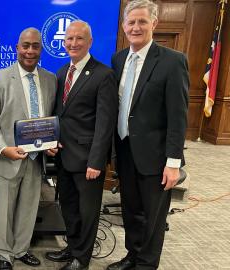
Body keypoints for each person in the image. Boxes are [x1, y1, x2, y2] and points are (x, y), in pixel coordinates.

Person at [107, 1, 189, 269]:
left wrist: (173, 162)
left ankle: (146, 264)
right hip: (126, 151)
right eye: (131, 22)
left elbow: (178, 116)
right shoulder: (118, 59)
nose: (136, 27)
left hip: (156, 157)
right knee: (131, 211)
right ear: (124, 26)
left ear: (154, 24)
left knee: (153, 216)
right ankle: (132, 256)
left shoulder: (172, 61)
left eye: (142, 21)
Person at [44, 20, 118, 270]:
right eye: (69, 39)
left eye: (79, 39)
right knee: (69, 207)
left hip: (88, 161)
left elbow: (105, 124)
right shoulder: (63, 72)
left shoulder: (104, 75)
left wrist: (97, 161)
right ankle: (72, 248)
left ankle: (82, 259)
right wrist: (50, 141)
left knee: (88, 212)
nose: (73, 43)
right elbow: (59, 115)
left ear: (90, 42)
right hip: (64, 156)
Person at [0, 28, 57, 270]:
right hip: (6, 158)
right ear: (17, 48)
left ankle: (21, 249)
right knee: (4, 210)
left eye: (35, 46)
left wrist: (51, 143)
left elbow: (49, 119)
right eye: (25, 45)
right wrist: (3, 148)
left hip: (36, 159)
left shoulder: (50, 79)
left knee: (28, 207)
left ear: (41, 49)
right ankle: (4, 255)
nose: (30, 51)